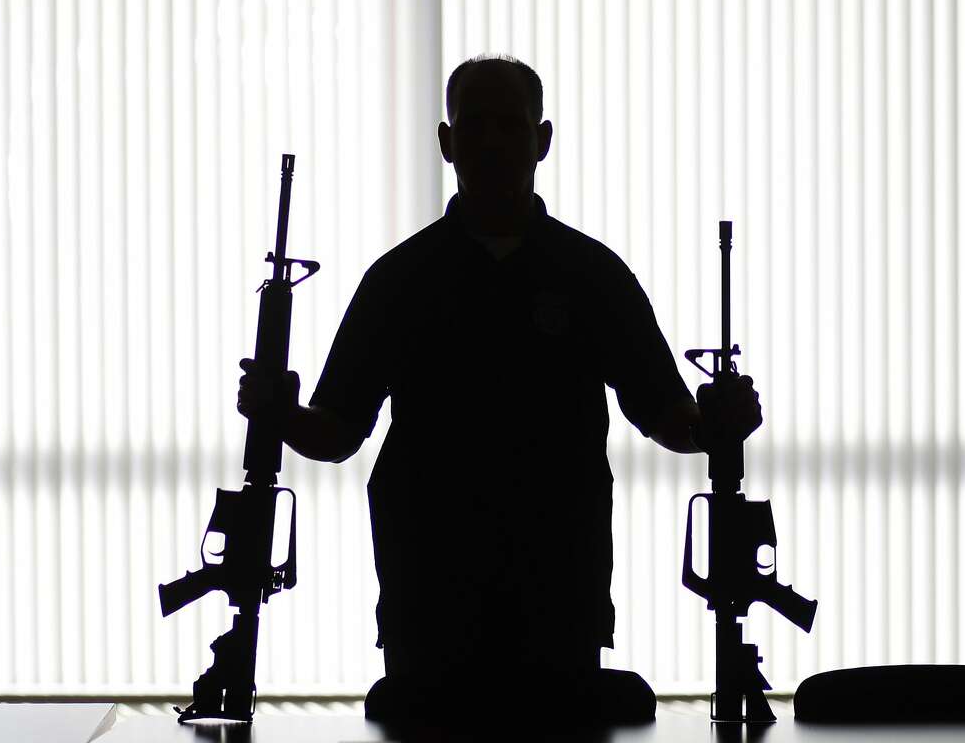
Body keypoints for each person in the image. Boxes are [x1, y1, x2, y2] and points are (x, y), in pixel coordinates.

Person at [236, 54, 762, 730]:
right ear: (446, 141)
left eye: (508, 126)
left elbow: (666, 415)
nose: (490, 142)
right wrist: (279, 415)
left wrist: (717, 423)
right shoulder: (401, 279)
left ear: (541, 140)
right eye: (473, 125)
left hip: (559, 599)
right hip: (429, 600)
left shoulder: (590, 274)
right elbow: (336, 433)